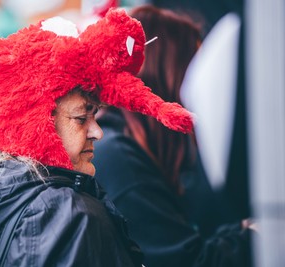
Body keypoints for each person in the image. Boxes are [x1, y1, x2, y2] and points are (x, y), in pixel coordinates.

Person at [0, 8, 194, 266]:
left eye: (95, 115)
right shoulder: (72, 216)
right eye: (81, 117)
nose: (98, 131)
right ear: (33, 122)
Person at [93, 5, 253, 267]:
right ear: (169, 76)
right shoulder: (120, 159)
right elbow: (187, 261)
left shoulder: (124, 144)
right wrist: (251, 235)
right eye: (192, 72)